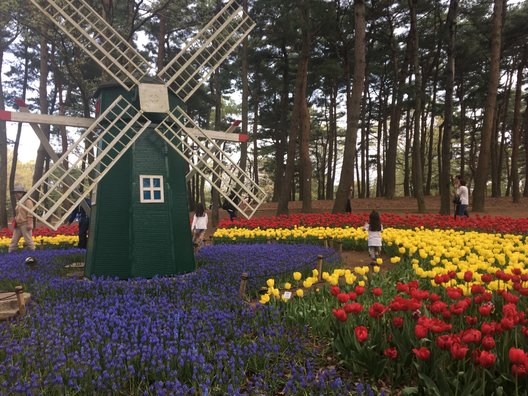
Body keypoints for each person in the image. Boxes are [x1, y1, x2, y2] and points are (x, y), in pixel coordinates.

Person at [9, 185, 36, 253]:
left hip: (25, 224)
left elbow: (30, 213)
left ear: (22, 193)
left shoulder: (28, 201)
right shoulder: (19, 203)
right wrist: (15, 219)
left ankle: (34, 255)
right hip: (18, 225)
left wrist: (30, 224)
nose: (16, 195)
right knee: (13, 242)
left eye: (17, 193)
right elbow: (19, 214)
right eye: (15, 193)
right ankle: (10, 255)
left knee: (29, 241)